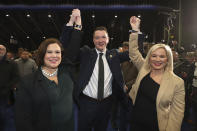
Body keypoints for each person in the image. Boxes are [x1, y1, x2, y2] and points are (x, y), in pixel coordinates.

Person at [15, 9, 82, 131]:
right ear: (41, 55)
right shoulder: (27, 82)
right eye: (49, 52)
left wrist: (75, 24)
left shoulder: (66, 72)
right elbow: (22, 121)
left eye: (57, 52)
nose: (54, 55)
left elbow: (72, 46)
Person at [69, 9, 130, 131]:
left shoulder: (114, 55)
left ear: (108, 39)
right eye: (97, 38)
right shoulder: (86, 53)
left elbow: (134, 54)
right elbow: (71, 53)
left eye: (103, 37)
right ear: (93, 40)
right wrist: (77, 27)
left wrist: (135, 31)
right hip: (87, 103)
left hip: (106, 104)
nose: (100, 40)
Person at [128, 16, 185, 131]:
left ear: (168, 59)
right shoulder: (144, 68)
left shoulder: (177, 82)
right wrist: (135, 31)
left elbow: (177, 114)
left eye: (162, 56)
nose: (157, 60)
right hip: (135, 122)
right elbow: (133, 52)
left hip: (156, 126)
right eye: (154, 56)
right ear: (149, 58)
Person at [0, 44, 19, 131]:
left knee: (7, 118)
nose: (0, 51)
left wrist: (7, 88)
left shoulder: (12, 64)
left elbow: (16, 78)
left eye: (1, 49)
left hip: (7, 95)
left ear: (5, 52)